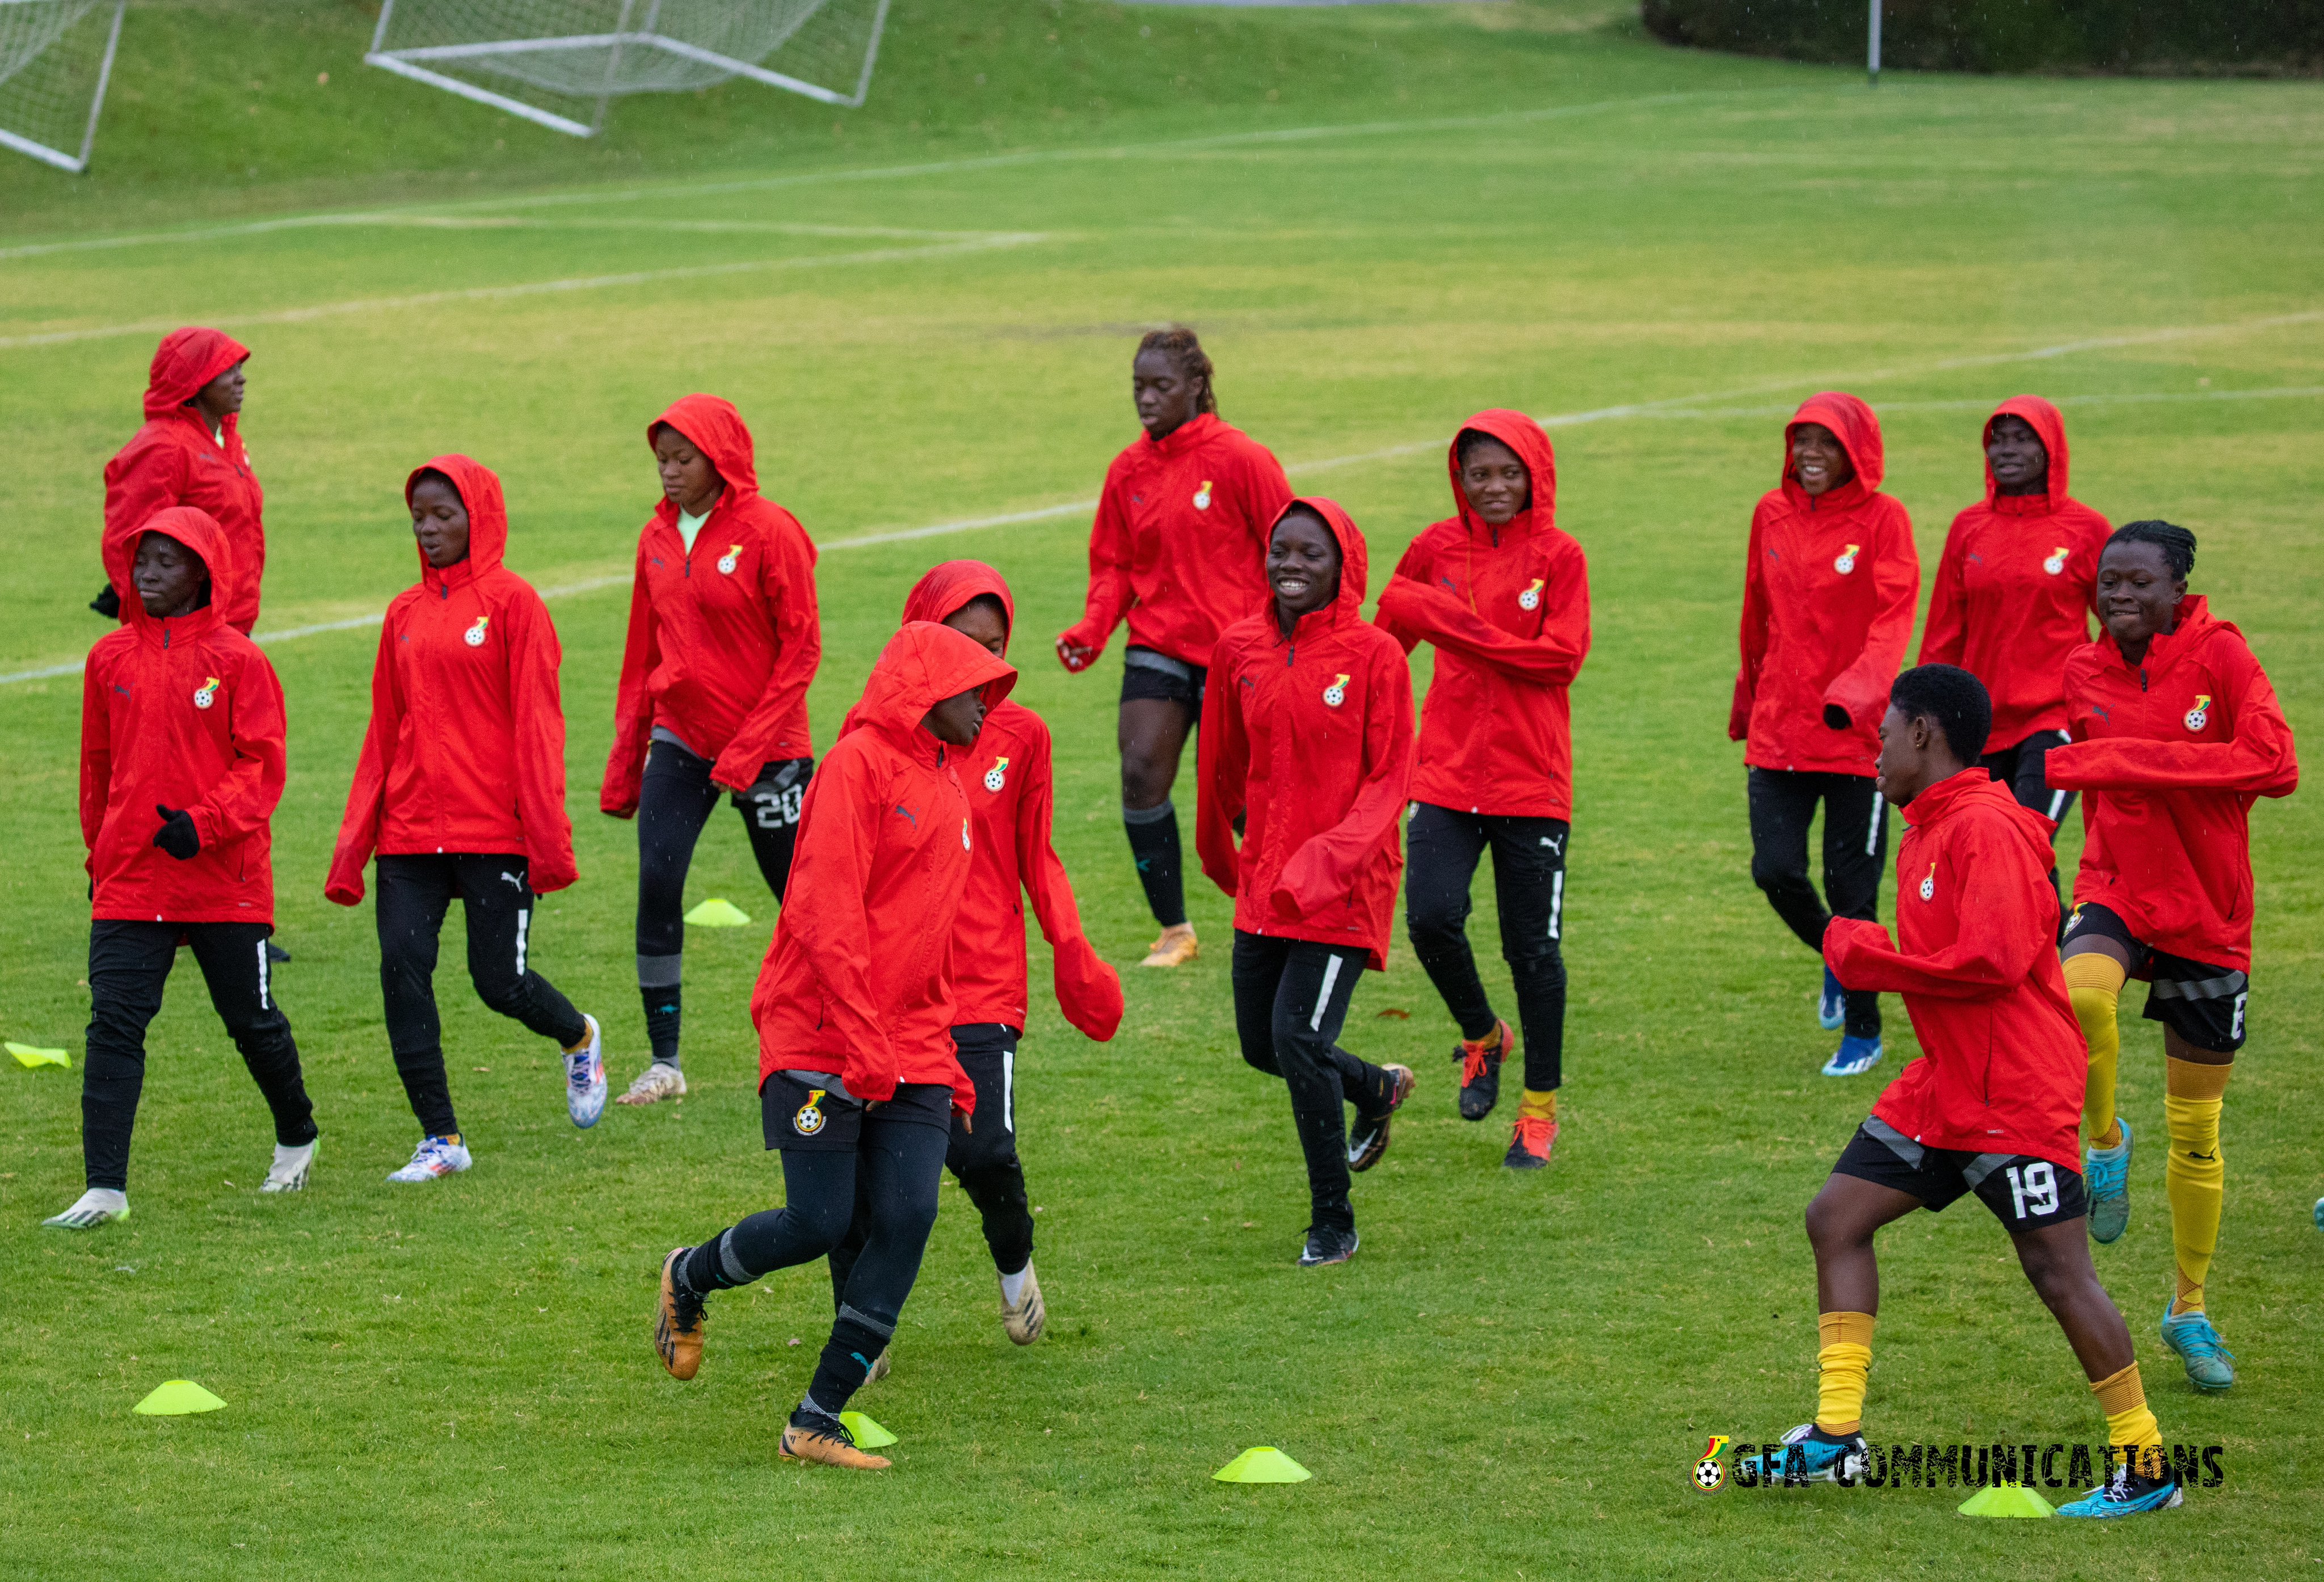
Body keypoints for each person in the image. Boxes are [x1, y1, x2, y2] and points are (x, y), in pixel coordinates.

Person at [1741, 664, 2183, 1518]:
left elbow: (1996, 962)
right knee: (1837, 1217)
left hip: (2015, 1089)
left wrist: (1875, 960)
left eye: (1881, 736)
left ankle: (2146, 1463)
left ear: (1922, 734)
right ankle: (1836, 1440)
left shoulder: (1990, 829)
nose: (1872, 753)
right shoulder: (1926, 827)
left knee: (2058, 1271)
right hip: (1947, 1083)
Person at [651, 621, 1017, 1471]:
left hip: (914, 1046)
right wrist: (861, 1040)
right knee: (820, 1222)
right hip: (818, 1031)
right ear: (927, 694)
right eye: (973, 692)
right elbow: (822, 910)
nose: (985, 709)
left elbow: (932, 937)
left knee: (909, 1215)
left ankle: (817, 1416)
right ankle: (691, 1276)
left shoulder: (953, 789)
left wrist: (943, 1050)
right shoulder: (858, 766)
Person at [827, 562, 1125, 1365]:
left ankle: (1014, 1265)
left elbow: (1039, 856)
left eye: (996, 648)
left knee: (983, 1148)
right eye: (965, 644)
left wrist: (1074, 951)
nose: (982, 668)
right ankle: (859, 1323)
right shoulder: (873, 741)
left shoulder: (1023, 736)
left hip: (984, 979)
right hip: (893, 982)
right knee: (862, 1154)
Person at [2046, 521, 2297, 1392]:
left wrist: (2127, 759)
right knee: (2080, 999)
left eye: (2137, 583)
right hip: (2115, 886)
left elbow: (2277, 761)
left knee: (2197, 1137)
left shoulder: (2221, 658)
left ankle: (2189, 1308)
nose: (2118, 596)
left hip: (2207, 910)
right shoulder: (2082, 669)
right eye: (2107, 582)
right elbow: (2065, 776)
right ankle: (2104, 1140)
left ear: (2177, 590)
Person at [325, 457, 605, 1183]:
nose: (428, 527)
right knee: (401, 968)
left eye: (443, 514)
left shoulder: (515, 605)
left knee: (498, 981)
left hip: (493, 832)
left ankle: (578, 1037)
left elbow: (538, 729)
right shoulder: (402, 614)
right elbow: (382, 732)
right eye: (418, 515)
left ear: (478, 516)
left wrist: (547, 842)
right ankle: (441, 1137)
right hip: (411, 832)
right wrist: (351, 850)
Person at [47, 507, 319, 1228]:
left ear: (202, 571)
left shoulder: (239, 660)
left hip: (222, 880)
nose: (148, 574)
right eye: (141, 561)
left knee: (252, 1023)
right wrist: (99, 859)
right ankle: (105, 1188)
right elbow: (96, 773)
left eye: (166, 562)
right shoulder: (108, 660)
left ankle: (297, 1135)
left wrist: (201, 825)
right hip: (131, 881)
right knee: (113, 1024)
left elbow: (262, 768)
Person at [1197, 498, 1416, 1268]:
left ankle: (1334, 1220)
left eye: (1309, 555)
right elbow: (1222, 757)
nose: (1290, 566)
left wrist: (1329, 859)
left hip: (1342, 889)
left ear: (1343, 567)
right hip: (1266, 883)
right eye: (1279, 552)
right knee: (1266, 1045)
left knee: (1298, 1037)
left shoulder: (1377, 656)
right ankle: (1376, 1089)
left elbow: (1391, 779)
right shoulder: (1238, 649)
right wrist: (1228, 843)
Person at [1375, 411, 1589, 1167]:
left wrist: (1446, 619)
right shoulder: (1434, 549)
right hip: (1445, 774)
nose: (1494, 487)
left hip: (1533, 783)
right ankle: (1482, 1033)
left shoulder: (1560, 558)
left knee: (1533, 951)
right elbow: (1386, 641)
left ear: (1535, 476)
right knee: (1431, 920)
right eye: (1479, 474)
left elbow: (1557, 661)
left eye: (1509, 473)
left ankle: (1538, 1113)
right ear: (1458, 479)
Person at [601, 395, 822, 1106]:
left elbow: (802, 648)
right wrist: (623, 764)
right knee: (658, 883)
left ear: (719, 458)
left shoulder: (771, 532)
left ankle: (842, 1034)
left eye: (682, 459)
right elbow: (642, 655)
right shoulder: (654, 540)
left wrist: (752, 746)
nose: (667, 472)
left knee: (804, 902)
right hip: (683, 735)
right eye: (660, 459)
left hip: (771, 745)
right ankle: (664, 1062)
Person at [1055, 327, 1292, 968]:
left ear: (1196, 387)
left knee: (1244, 794)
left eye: (1161, 386)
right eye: (1138, 386)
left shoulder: (1241, 459)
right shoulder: (1127, 470)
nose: (1146, 398)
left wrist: (1296, 636)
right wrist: (1092, 630)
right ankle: (1174, 929)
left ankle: (1287, 907)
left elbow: (1293, 547)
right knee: (1138, 773)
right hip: (1157, 642)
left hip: (1237, 652)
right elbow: (1114, 564)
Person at [1729, 393, 1918, 1078]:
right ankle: (1839, 959)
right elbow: (1757, 611)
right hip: (1779, 729)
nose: (1811, 454)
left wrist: (1855, 695)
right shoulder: (1769, 512)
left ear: (1856, 452)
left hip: (1855, 737)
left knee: (1852, 891)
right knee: (1774, 871)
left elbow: (1893, 621)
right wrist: (1746, 699)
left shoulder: (1883, 519)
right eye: (1801, 440)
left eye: (1827, 443)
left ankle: (1864, 1031)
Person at [1918, 397, 2113, 902]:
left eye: (2022, 439)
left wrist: (2117, 702)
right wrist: (1923, 717)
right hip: (1980, 724)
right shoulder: (1969, 527)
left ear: (2052, 450)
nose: (2006, 450)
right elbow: (1945, 629)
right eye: (1997, 440)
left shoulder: (2086, 529)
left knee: (2027, 840)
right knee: (1997, 853)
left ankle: (2056, 969)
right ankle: (2047, 966)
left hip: (2055, 718)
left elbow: (2119, 625)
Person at [96, 329, 265, 636]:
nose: (241, 379)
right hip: (186, 634)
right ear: (196, 382)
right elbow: (126, 542)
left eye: (240, 368)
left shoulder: (226, 440)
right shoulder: (164, 448)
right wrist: (153, 629)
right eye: (227, 370)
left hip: (230, 623)